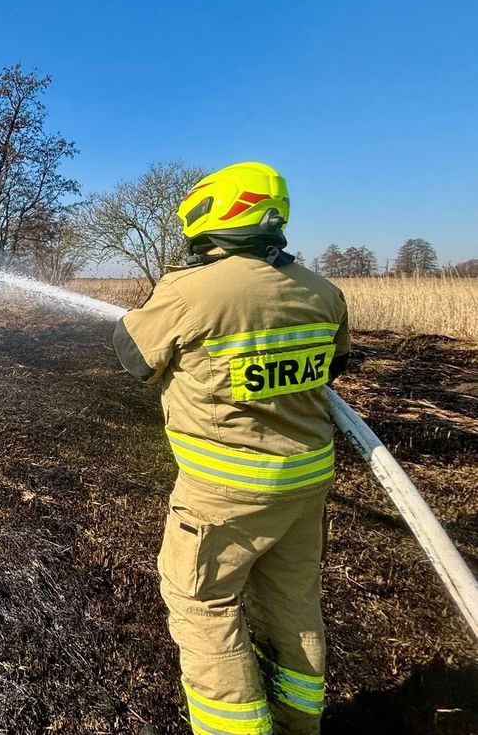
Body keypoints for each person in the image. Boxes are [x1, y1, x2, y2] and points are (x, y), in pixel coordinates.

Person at [112, 162, 350, 735]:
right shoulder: (322, 291)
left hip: (227, 494)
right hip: (306, 483)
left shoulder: (191, 290)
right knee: (293, 603)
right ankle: (298, 723)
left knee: (203, 607)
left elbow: (133, 356)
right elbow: (331, 367)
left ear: (212, 214)